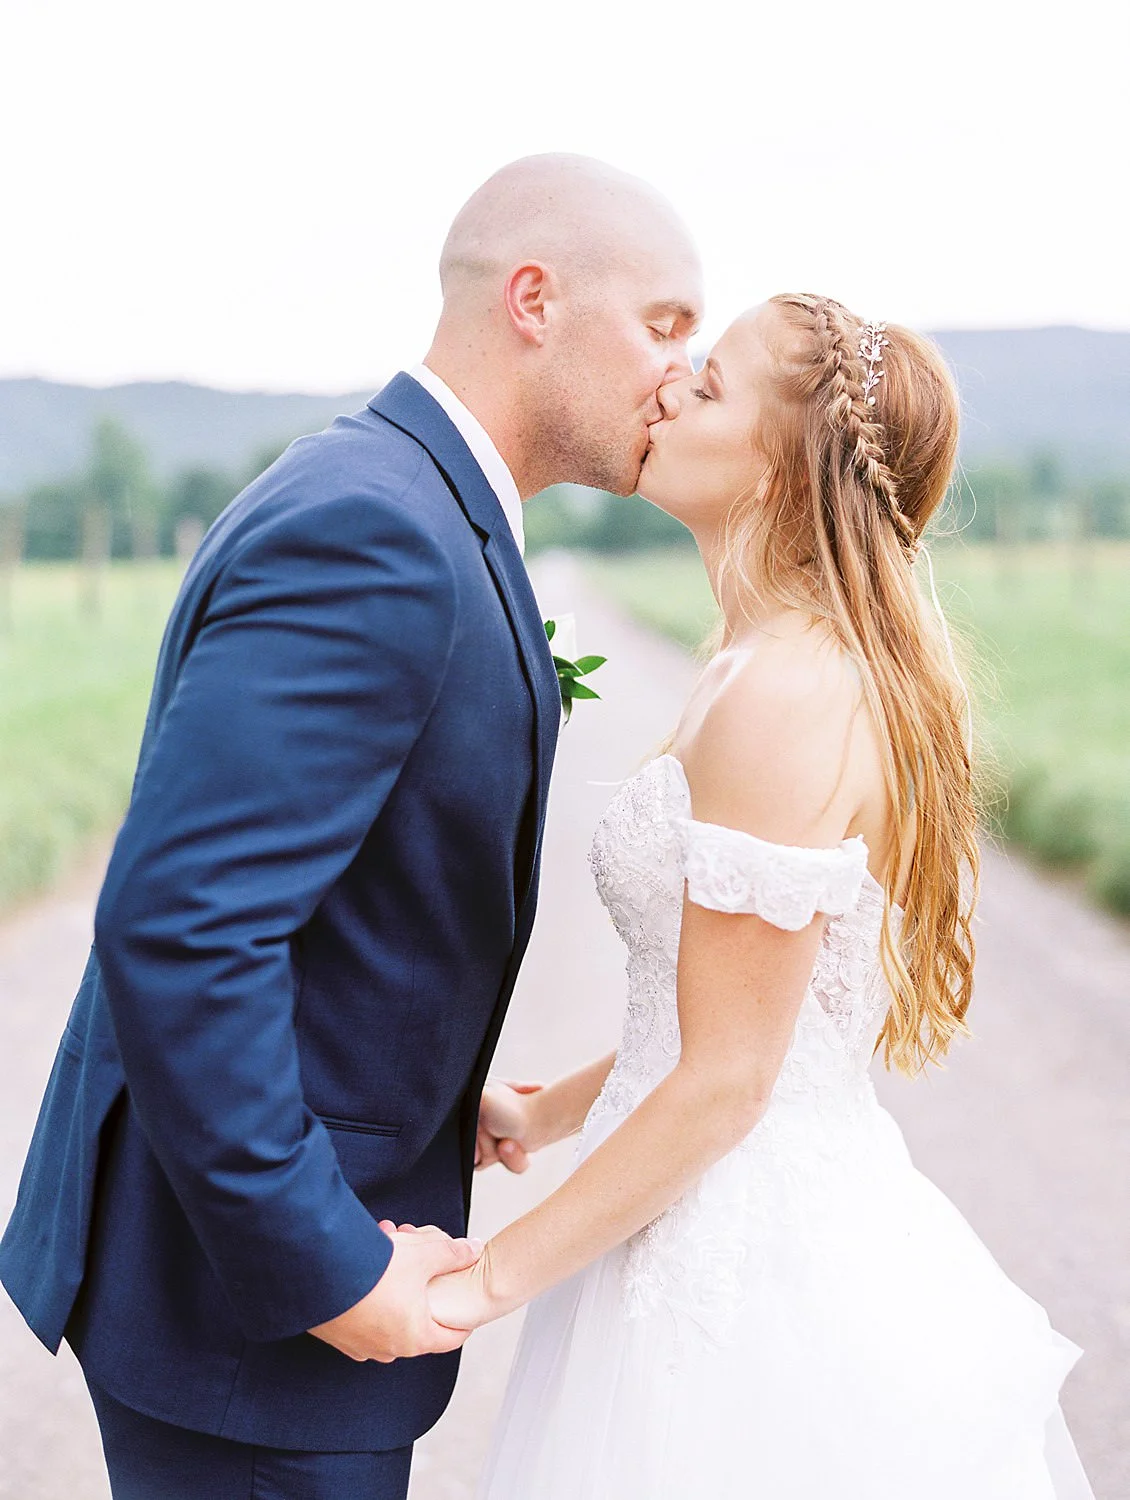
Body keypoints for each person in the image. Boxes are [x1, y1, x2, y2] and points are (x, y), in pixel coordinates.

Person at [0, 154, 703, 1500]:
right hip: (252, 1321)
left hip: (267, 1290)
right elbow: (184, 927)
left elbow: (350, 881)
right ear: (535, 300)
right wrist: (327, 1266)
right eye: (663, 323)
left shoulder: (415, 506)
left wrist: (438, 1084)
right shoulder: (374, 536)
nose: (679, 372)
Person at [432, 295, 1096, 1498]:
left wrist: (485, 1279)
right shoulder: (749, 657)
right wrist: (544, 1114)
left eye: (713, 383)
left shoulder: (789, 690)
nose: (673, 385)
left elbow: (732, 1078)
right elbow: (718, 1009)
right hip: (676, 1197)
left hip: (743, 1269)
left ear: (784, 473)